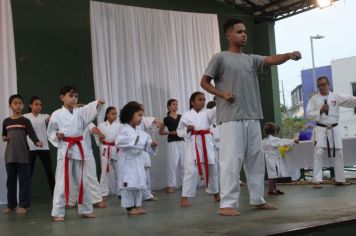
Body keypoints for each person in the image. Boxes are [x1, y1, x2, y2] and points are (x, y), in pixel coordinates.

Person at [200, 18, 301, 216]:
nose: (244, 34)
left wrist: (289, 55)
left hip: (253, 115)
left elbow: (271, 59)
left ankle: (257, 199)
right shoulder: (220, 57)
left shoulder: (251, 59)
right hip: (231, 118)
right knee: (231, 160)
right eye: (239, 31)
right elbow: (204, 82)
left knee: (255, 159)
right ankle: (227, 203)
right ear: (228, 35)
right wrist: (222, 94)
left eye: (245, 31)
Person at [47, 85, 104, 222]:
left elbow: (90, 109)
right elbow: (50, 132)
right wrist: (57, 136)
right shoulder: (56, 114)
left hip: (78, 147)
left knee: (83, 179)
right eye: (70, 96)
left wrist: (97, 103)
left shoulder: (80, 112)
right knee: (62, 181)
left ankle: (86, 209)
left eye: (76, 96)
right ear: (62, 97)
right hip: (65, 148)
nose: (74, 98)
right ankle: (58, 212)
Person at [306, 76, 356, 188]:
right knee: (318, 153)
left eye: (323, 85)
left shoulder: (336, 96)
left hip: (334, 128)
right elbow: (308, 115)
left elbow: (349, 100)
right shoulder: (313, 99)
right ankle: (317, 180)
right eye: (319, 85)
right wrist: (321, 110)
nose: (321, 87)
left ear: (328, 85)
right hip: (320, 129)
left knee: (339, 153)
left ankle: (340, 179)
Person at [2, 94, 43, 214]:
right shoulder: (6, 121)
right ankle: (11, 205)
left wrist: (37, 142)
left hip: (24, 156)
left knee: (25, 182)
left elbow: (31, 134)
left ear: (23, 105)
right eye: (15, 103)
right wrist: (4, 138)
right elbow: (4, 134)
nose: (18, 105)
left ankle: (24, 205)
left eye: (20, 103)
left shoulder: (25, 120)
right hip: (10, 156)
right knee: (10, 183)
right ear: (10, 105)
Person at [177, 92, 219, 207]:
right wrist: (187, 130)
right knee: (190, 171)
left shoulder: (208, 113)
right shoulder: (186, 115)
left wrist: (220, 99)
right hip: (192, 145)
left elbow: (217, 110)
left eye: (204, 100)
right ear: (192, 102)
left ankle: (216, 193)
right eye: (200, 99)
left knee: (212, 168)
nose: (202, 102)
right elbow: (179, 131)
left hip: (206, 142)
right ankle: (184, 198)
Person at [116, 101, 158, 215]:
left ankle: (137, 205)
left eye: (142, 115)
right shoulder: (123, 129)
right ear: (130, 115)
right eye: (139, 115)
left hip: (138, 161)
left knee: (139, 183)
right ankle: (130, 208)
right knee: (129, 184)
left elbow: (146, 144)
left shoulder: (140, 132)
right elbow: (119, 142)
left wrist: (151, 145)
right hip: (128, 161)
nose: (141, 118)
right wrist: (135, 140)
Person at [24, 96, 55, 194]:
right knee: (28, 173)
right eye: (36, 104)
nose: (38, 106)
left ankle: (55, 196)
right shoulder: (25, 117)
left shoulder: (44, 116)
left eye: (40, 105)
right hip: (30, 148)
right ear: (30, 105)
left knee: (49, 172)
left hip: (44, 147)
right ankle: (25, 198)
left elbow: (52, 119)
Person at [262, 122, 298, 195]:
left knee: (273, 175)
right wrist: (293, 140)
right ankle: (271, 190)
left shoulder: (264, 140)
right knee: (272, 175)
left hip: (269, 159)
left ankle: (274, 189)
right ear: (274, 131)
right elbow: (282, 141)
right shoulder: (272, 139)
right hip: (273, 159)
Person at [159, 99, 185, 193]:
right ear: (169, 106)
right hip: (172, 142)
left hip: (182, 141)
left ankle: (184, 184)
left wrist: (181, 132)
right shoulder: (166, 119)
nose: (176, 106)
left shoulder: (181, 117)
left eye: (177, 104)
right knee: (173, 164)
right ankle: (171, 185)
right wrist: (169, 132)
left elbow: (184, 128)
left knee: (183, 164)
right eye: (174, 104)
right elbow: (160, 132)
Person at [97, 107, 121, 200]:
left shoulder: (119, 125)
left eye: (115, 114)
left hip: (115, 148)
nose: (115, 115)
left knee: (118, 170)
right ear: (107, 115)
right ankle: (103, 193)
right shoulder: (101, 125)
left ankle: (120, 191)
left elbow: (120, 137)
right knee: (104, 171)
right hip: (105, 148)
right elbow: (97, 137)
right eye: (112, 113)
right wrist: (100, 139)